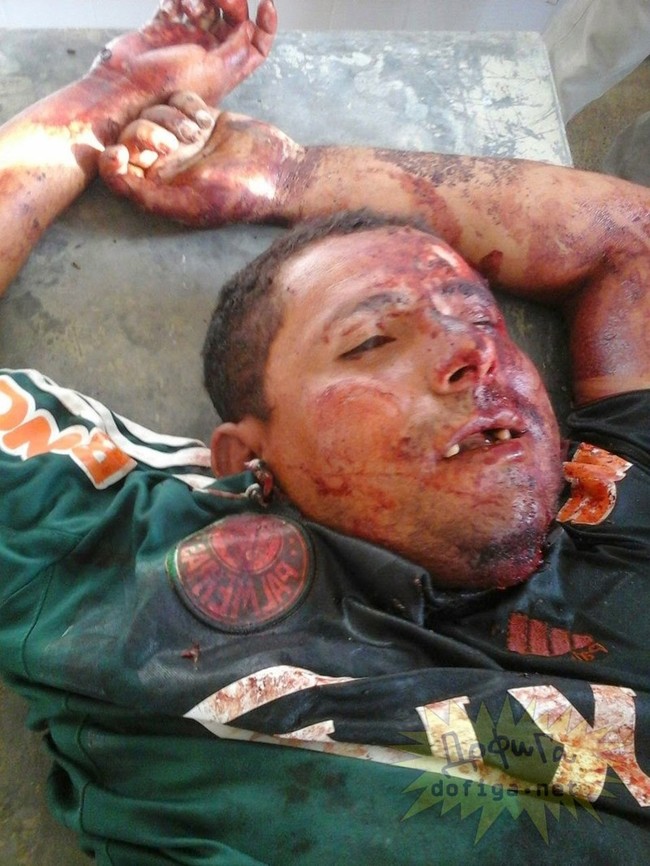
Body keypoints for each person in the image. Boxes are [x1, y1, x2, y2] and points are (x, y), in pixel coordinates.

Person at [1, 3, 650, 864]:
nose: (477, 357)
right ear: (247, 459)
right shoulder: (131, 579)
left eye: (483, 321)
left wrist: (290, 173)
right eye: (371, 340)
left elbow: (632, 243)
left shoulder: (616, 514)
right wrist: (114, 89)